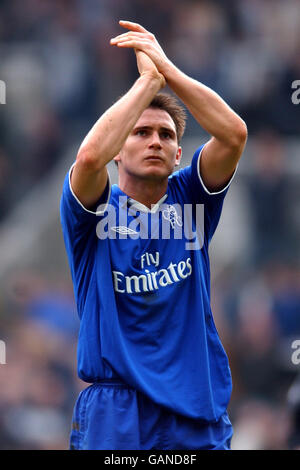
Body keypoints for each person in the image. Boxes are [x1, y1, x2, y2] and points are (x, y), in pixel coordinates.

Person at [60, 20, 247, 450]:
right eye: (141, 133)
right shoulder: (93, 210)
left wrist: (166, 70)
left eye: (166, 135)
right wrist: (145, 84)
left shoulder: (191, 198)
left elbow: (234, 134)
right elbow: (88, 158)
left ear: (179, 153)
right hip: (117, 411)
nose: (155, 142)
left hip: (195, 411)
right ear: (118, 150)